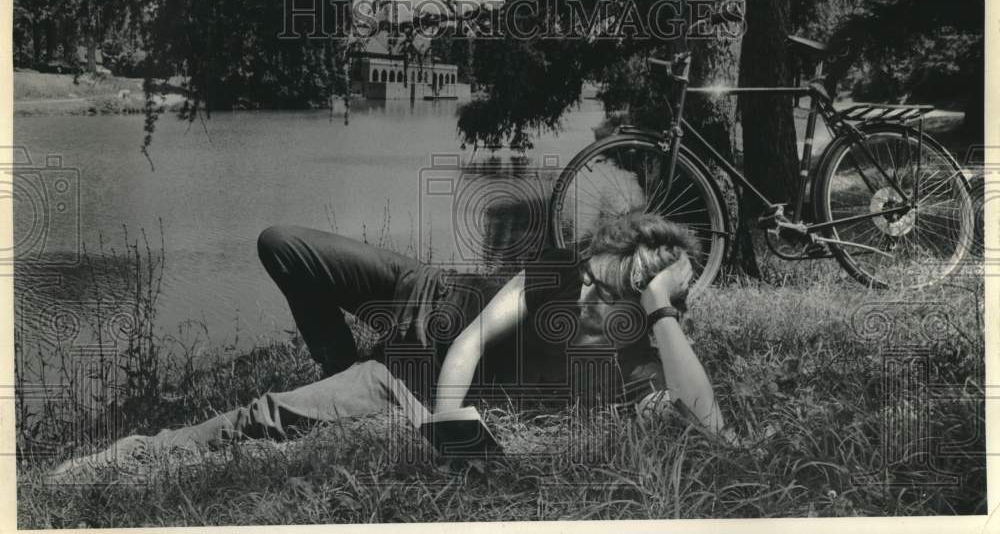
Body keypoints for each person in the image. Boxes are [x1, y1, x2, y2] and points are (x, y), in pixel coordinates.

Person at [47, 210, 725, 481]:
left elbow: (713, 425)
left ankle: (137, 455)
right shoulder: (562, 266)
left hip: (406, 373)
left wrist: (661, 307)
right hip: (421, 291)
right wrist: (458, 423)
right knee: (281, 244)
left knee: (267, 413)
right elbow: (475, 338)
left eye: (626, 294)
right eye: (604, 272)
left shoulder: (638, 347)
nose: (594, 293)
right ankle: (341, 370)